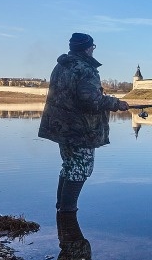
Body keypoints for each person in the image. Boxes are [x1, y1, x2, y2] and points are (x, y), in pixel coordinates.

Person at [38, 33, 129, 212]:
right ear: (88, 48)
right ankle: (68, 212)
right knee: (81, 168)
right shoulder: (84, 68)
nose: (93, 50)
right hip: (80, 128)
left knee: (69, 165)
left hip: (61, 125)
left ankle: (62, 209)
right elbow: (91, 101)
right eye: (93, 47)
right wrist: (115, 103)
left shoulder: (62, 65)